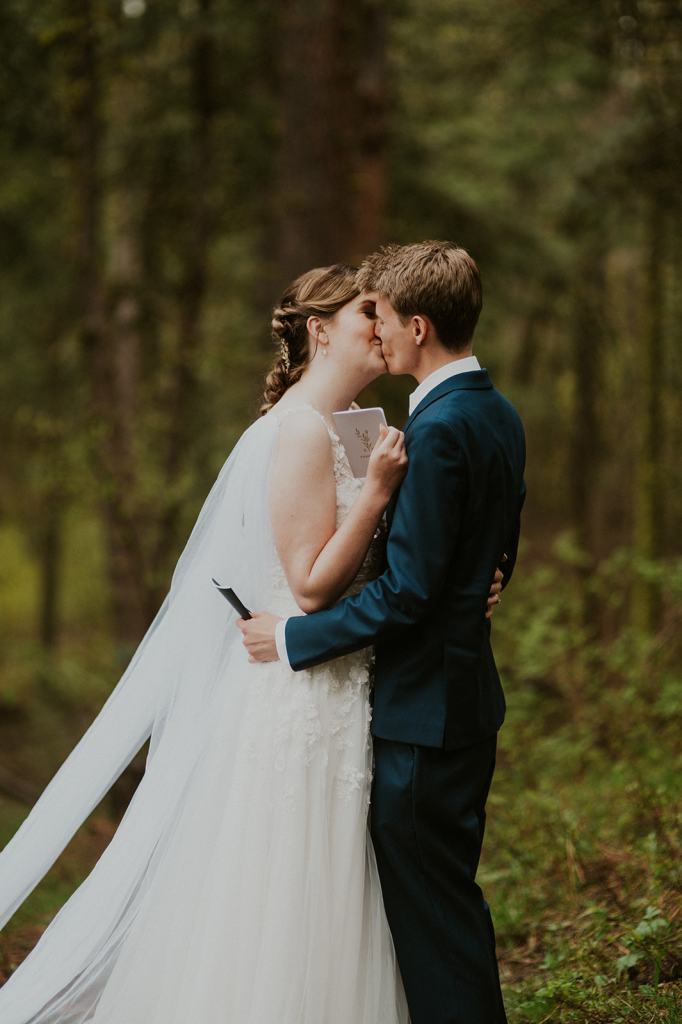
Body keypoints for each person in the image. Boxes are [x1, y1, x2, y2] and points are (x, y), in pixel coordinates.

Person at [0, 262, 502, 1024]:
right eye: (365, 314)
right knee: (283, 887)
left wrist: (469, 581)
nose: (380, 326)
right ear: (318, 330)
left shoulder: (353, 425)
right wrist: (373, 494)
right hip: (296, 686)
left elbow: (406, 560)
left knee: (337, 885)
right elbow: (306, 588)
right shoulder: (300, 427)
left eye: (384, 315)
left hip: (346, 684)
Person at [240, 241, 526, 1024]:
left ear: (421, 326)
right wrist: (481, 585)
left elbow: (405, 594)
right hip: (463, 700)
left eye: (387, 317)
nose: (380, 330)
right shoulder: (496, 412)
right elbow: (494, 547)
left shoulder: (433, 431)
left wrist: (295, 640)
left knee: (436, 928)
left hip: (420, 713)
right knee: (446, 911)